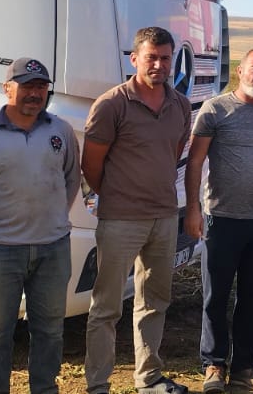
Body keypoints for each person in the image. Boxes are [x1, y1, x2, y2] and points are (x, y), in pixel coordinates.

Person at [0, 58, 79, 394]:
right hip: (0, 250)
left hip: (53, 248)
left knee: (50, 329)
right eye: (27, 86)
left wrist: (55, 216)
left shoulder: (61, 131)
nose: (35, 94)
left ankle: (44, 389)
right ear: (7, 88)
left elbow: (71, 178)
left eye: (41, 87)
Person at [82, 27, 194, 394]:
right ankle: (98, 384)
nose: (159, 65)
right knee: (106, 307)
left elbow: (173, 152)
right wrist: (118, 195)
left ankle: (148, 378)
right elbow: (91, 165)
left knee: (155, 301)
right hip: (120, 219)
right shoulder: (111, 105)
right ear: (134, 59)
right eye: (151, 58)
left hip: (164, 215)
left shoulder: (180, 105)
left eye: (165, 58)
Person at [184, 48, 253, 393]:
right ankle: (213, 365)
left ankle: (244, 368)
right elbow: (195, 161)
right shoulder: (215, 109)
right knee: (216, 297)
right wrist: (193, 208)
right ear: (240, 71)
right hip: (221, 219)